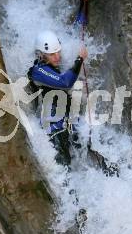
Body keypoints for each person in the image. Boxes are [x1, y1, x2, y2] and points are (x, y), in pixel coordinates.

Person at [28, 30, 88, 168]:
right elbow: (65, 82)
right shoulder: (38, 70)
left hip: (67, 119)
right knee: (64, 163)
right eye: (52, 54)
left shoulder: (53, 66)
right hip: (53, 126)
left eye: (58, 52)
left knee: (87, 152)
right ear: (41, 55)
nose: (57, 57)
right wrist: (80, 59)